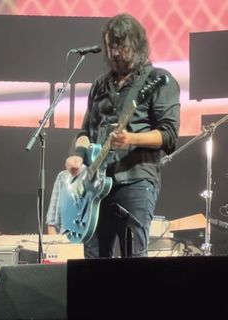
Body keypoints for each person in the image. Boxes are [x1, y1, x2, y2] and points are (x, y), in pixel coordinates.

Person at [65, 13, 180, 258]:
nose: (115, 53)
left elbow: (169, 136)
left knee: (133, 260)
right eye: (111, 46)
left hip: (135, 180)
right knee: (94, 262)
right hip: (94, 187)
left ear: (137, 45)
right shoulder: (100, 85)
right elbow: (86, 131)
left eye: (121, 46)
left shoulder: (159, 80)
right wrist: (77, 156)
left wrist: (131, 139)